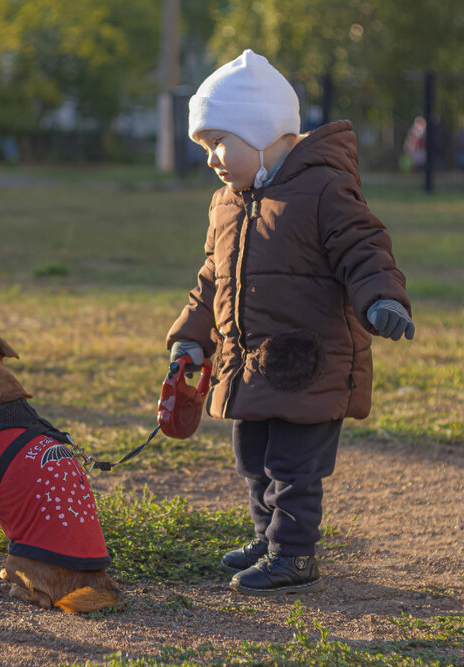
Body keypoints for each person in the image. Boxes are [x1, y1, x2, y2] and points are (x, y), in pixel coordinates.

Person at [165, 49, 414, 596]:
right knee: (252, 457)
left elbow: (364, 248)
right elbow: (212, 277)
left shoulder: (323, 189)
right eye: (204, 147)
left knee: (293, 467)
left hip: (310, 360)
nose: (211, 158)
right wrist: (191, 335)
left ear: (261, 131)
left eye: (218, 141)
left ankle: (294, 555)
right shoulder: (226, 202)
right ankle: (267, 538)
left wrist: (381, 300)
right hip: (248, 361)